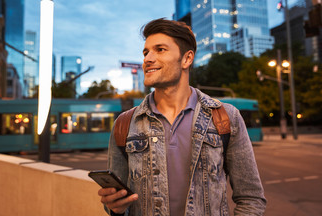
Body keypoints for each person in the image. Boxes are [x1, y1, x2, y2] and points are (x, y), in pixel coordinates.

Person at [98, 18, 266, 216]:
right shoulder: (124, 124)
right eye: (146, 52)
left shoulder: (225, 117)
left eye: (160, 49)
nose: (147, 59)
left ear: (187, 59)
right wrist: (115, 208)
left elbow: (251, 198)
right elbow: (117, 204)